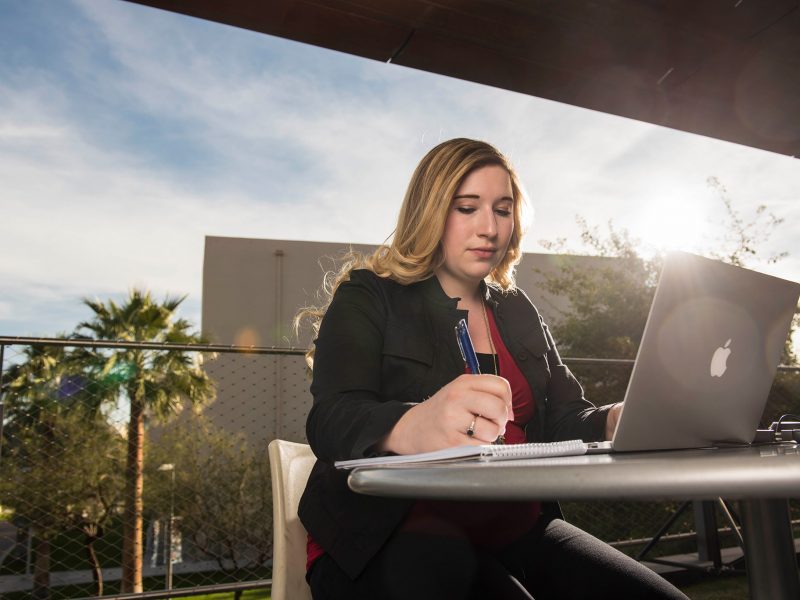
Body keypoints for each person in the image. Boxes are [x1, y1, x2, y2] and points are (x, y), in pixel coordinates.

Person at [295, 138, 687, 599]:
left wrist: (615, 418)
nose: (489, 228)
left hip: (514, 527)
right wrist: (415, 423)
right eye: (467, 207)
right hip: (388, 534)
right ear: (430, 211)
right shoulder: (369, 295)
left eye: (503, 210)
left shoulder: (518, 309)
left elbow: (564, 419)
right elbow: (331, 419)